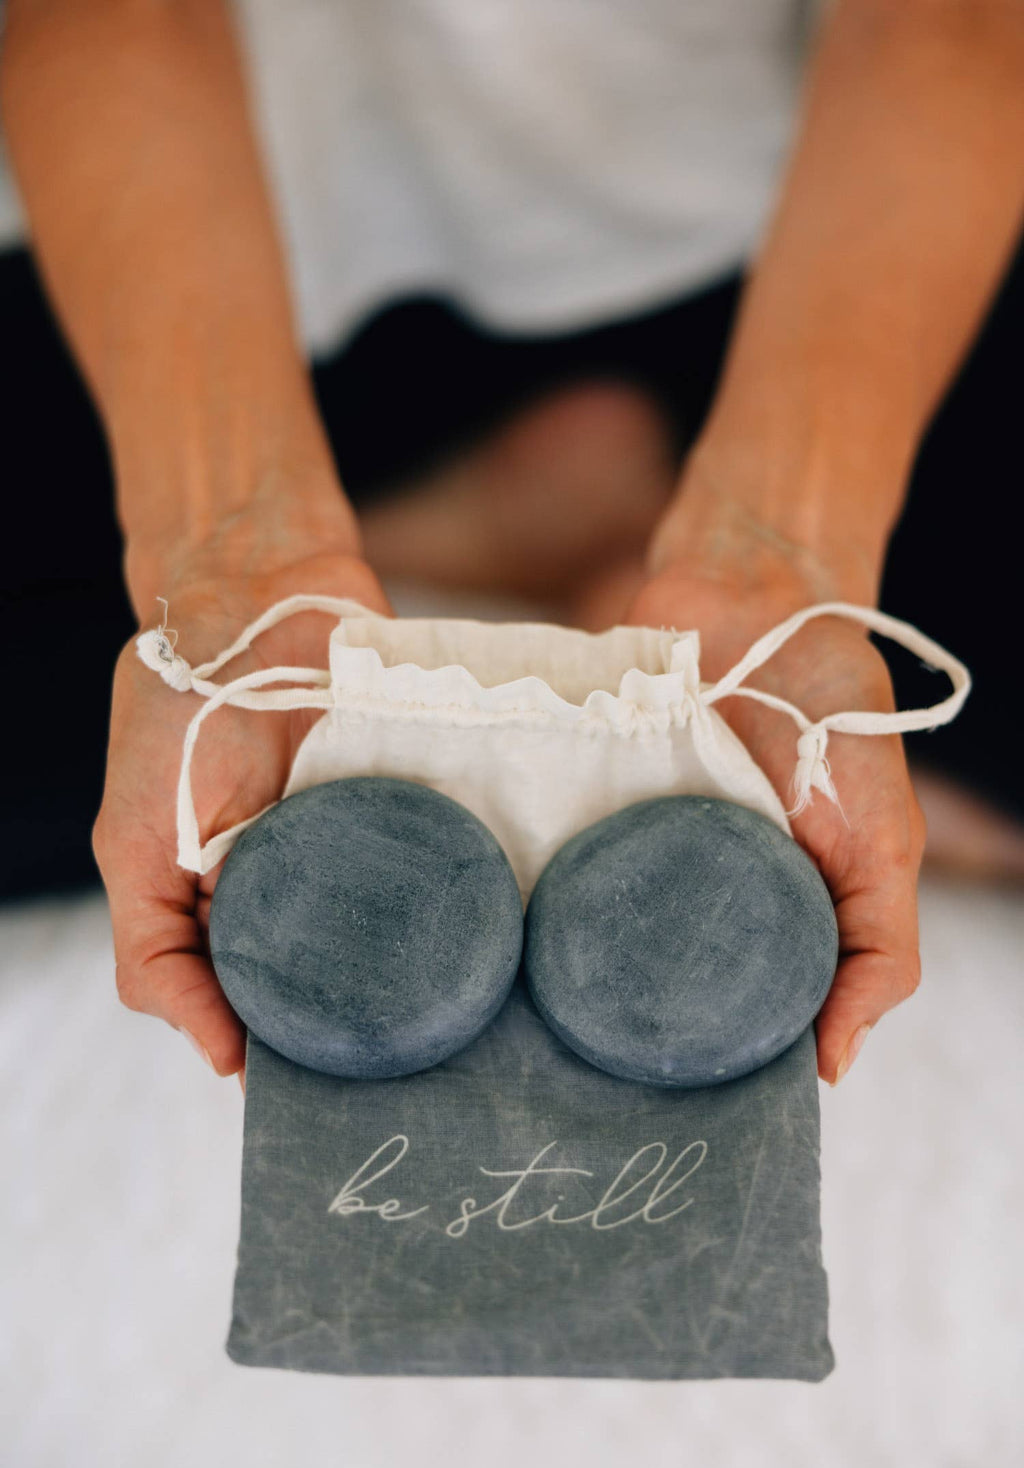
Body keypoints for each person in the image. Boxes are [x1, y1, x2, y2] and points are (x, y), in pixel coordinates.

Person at [1, 0, 1021, 1093]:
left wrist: (781, 561)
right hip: (199, 275)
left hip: (776, 253)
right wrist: (231, 561)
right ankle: (505, 522)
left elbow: (953, 23)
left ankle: (538, 512)